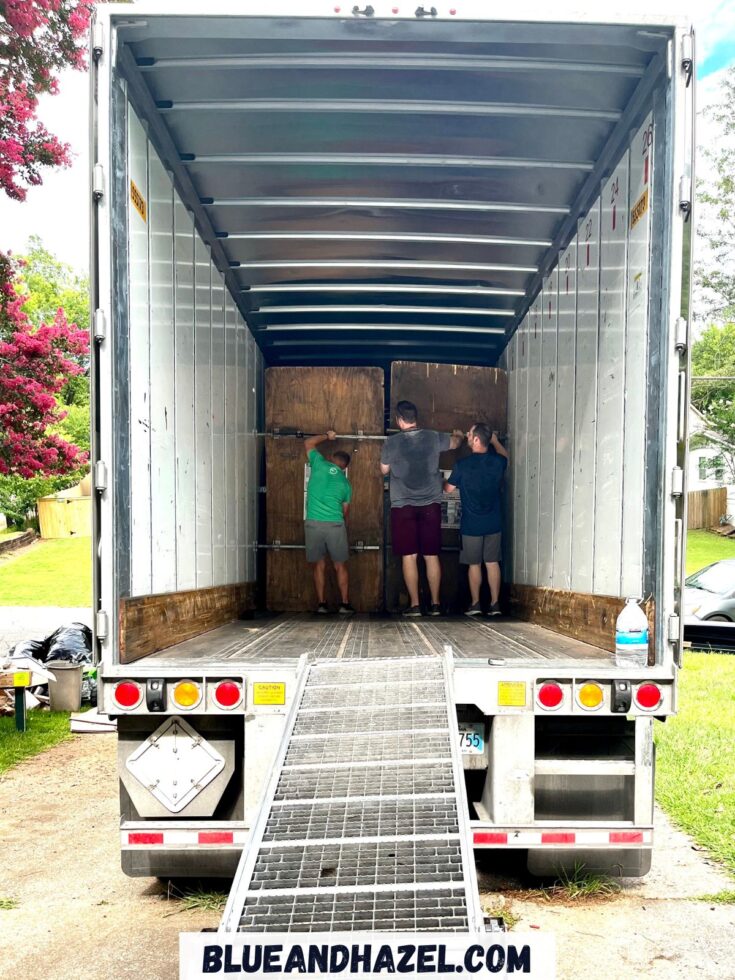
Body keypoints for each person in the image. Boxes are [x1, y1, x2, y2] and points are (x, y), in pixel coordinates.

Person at [380, 400, 463, 617]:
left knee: (409, 556)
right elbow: (455, 443)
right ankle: (435, 604)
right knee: (431, 555)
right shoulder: (434, 437)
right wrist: (459, 435)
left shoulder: (392, 442)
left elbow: (383, 470)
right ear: (416, 418)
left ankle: (416, 605)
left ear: (399, 420)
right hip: (430, 504)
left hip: (403, 506)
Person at [444, 423, 508, 617]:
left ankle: (476, 604)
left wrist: (442, 481)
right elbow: (505, 457)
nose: (467, 436)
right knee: (492, 562)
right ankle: (495, 604)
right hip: (494, 522)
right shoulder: (498, 462)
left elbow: (448, 489)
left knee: (474, 564)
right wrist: (496, 441)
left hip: (471, 524)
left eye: (470, 434)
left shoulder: (462, 465)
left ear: (477, 440)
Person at [303, 430, 354, 615]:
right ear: (345, 467)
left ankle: (322, 604)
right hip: (335, 525)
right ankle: (344, 604)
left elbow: (308, 442)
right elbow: (345, 511)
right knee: (340, 565)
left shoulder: (319, 463)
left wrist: (327, 436)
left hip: (314, 523)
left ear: (332, 458)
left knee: (319, 564)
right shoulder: (346, 484)